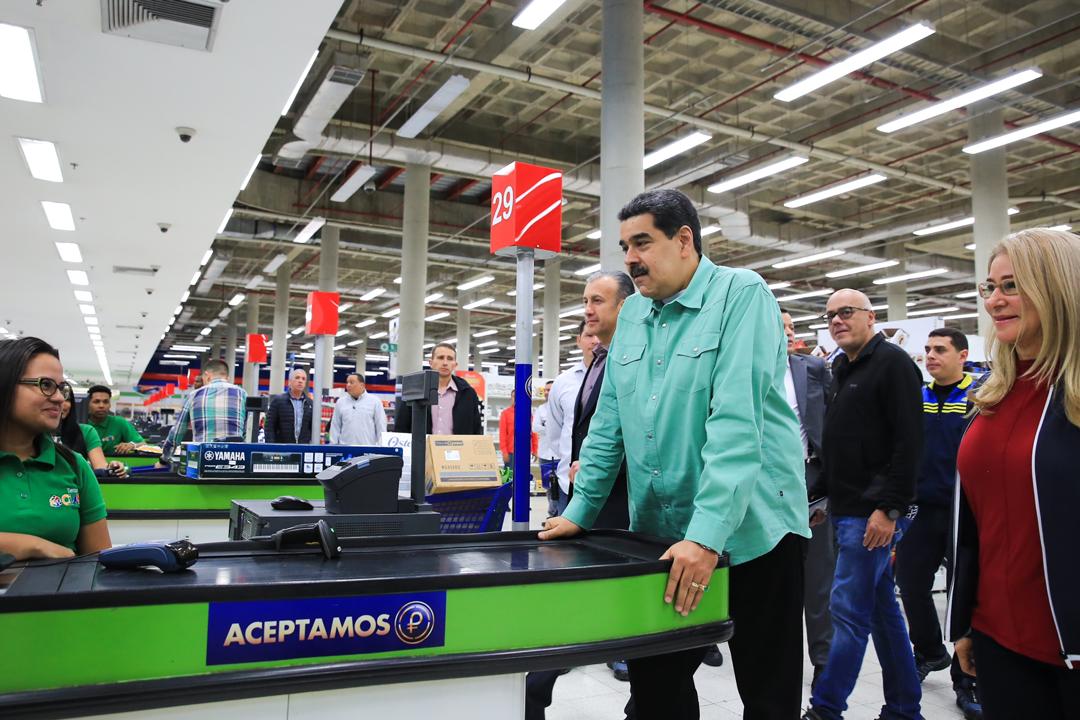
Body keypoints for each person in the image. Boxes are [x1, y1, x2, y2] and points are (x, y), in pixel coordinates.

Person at [541, 189, 809, 719]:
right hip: (663, 534)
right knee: (656, 691)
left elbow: (736, 424)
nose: (631, 259)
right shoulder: (634, 316)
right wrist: (580, 509)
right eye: (625, 247)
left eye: (642, 243)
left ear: (684, 240)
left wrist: (706, 537)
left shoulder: (741, 295)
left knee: (767, 695)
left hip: (755, 533)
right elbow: (608, 424)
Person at [949, 228, 1080, 720]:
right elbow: (975, 525)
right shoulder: (991, 397)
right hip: (998, 640)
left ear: (1058, 287)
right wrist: (964, 622)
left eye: (1012, 286)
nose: (994, 301)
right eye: (990, 287)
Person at [804, 289, 924, 720]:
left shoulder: (893, 365)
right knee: (882, 614)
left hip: (872, 516)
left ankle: (826, 708)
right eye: (830, 315)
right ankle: (905, 708)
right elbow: (843, 443)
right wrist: (824, 497)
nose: (837, 320)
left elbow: (910, 443)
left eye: (846, 312)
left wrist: (890, 509)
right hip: (847, 509)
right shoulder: (842, 367)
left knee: (847, 614)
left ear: (871, 317)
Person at [894, 327, 981, 719]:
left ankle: (967, 679)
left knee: (965, 594)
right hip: (921, 509)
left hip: (965, 510)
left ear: (962, 356)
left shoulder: (977, 395)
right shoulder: (918, 396)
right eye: (927, 349)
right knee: (911, 584)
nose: (930, 355)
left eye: (940, 349)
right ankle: (930, 650)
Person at [0, 337, 111, 560]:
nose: (60, 398)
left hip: (65, 583)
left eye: (60, 388)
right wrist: (34, 546)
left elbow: (98, 561)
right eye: (46, 385)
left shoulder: (73, 465)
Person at [781, 310, 835, 688]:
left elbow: (832, 426)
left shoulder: (812, 369)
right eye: (780, 327)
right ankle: (780, 658)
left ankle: (823, 660)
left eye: (792, 328)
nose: (788, 333)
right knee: (777, 578)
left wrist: (830, 486)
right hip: (764, 485)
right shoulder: (745, 368)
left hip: (810, 481)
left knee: (818, 577)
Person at [545, 322, 598, 515]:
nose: (595, 341)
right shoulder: (563, 382)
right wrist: (570, 455)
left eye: (599, 335)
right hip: (568, 483)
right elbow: (555, 432)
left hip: (611, 483)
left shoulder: (621, 377)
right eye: (589, 335)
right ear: (578, 340)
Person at [158, 359, 248, 463]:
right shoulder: (242, 394)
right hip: (235, 460)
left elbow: (178, 431)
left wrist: (164, 459)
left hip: (203, 460)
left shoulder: (194, 395)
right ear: (227, 377)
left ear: (207, 376)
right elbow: (246, 430)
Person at [395, 343, 483, 435]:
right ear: (431, 363)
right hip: (422, 444)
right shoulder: (415, 391)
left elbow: (476, 429)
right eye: (440, 358)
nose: (445, 363)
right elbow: (401, 428)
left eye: (450, 359)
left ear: (455, 365)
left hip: (458, 445)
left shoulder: (468, 394)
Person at [57, 386, 127, 478]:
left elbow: (101, 467)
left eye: (67, 400)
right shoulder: (38, 432)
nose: (62, 404)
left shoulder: (86, 431)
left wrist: (112, 467)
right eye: (54, 399)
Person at [329, 373, 386, 445]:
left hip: (367, 448)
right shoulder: (340, 402)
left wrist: (381, 447)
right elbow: (335, 426)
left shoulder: (375, 401)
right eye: (347, 382)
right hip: (345, 448)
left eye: (351, 382)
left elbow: (381, 426)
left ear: (362, 385)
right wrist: (333, 446)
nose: (348, 385)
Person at [86, 385, 145, 455]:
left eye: (106, 402)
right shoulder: (80, 424)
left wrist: (132, 445)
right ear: (88, 404)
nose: (101, 406)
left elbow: (143, 444)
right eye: (96, 402)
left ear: (110, 405)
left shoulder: (119, 423)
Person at [265, 368, 313, 444]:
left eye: (303, 379)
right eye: (297, 378)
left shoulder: (310, 403)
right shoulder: (278, 401)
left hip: (303, 447)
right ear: (289, 382)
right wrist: (271, 446)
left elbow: (312, 428)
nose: (300, 381)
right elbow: (269, 426)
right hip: (282, 447)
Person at [532, 381, 558, 516]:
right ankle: (553, 513)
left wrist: (545, 427)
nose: (547, 392)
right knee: (548, 485)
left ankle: (556, 513)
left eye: (550, 390)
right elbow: (535, 427)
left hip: (560, 454)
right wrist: (551, 428)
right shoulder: (541, 409)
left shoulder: (561, 407)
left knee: (560, 485)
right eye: (546, 390)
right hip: (545, 454)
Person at [498, 403, 537, 469]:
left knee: (524, 474)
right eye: (514, 397)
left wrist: (535, 450)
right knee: (510, 474)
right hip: (511, 453)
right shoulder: (505, 413)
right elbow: (502, 434)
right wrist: (504, 452)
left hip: (525, 452)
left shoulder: (527, 413)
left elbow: (533, 432)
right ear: (511, 398)